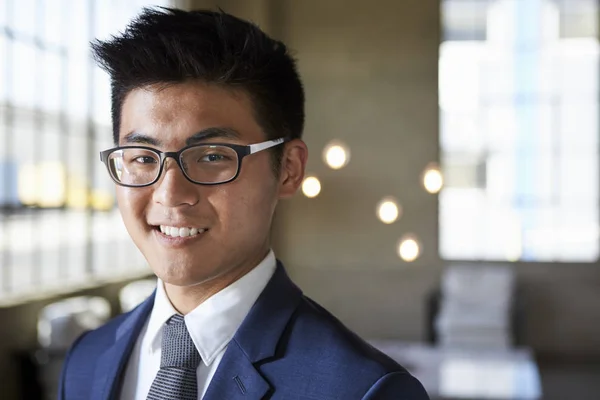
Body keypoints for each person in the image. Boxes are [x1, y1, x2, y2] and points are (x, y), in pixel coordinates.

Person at [58, 7, 429, 400]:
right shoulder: (88, 359)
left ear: (288, 169)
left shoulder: (363, 389)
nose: (170, 194)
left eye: (213, 156)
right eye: (143, 158)